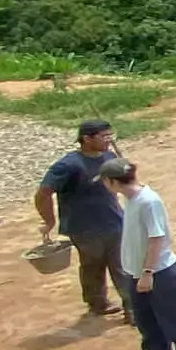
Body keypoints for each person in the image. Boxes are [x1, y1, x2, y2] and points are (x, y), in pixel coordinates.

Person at [101, 157, 176, 350]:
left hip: (159, 271)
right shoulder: (130, 199)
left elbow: (156, 238)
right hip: (135, 272)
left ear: (111, 182)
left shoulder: (148, 202)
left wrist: (147, 272)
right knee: (146, 320)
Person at [34, 118, 128, 321]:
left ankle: (133, 310)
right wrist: (49, 221)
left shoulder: (109, 157)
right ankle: (97, 303)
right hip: (84, 229)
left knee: (122, 266)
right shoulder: (68, 166)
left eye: (110, 136)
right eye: (104, 137)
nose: (109, 140)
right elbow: (43, 194)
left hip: (114, 222)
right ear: (86, 139)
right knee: (92, 266)